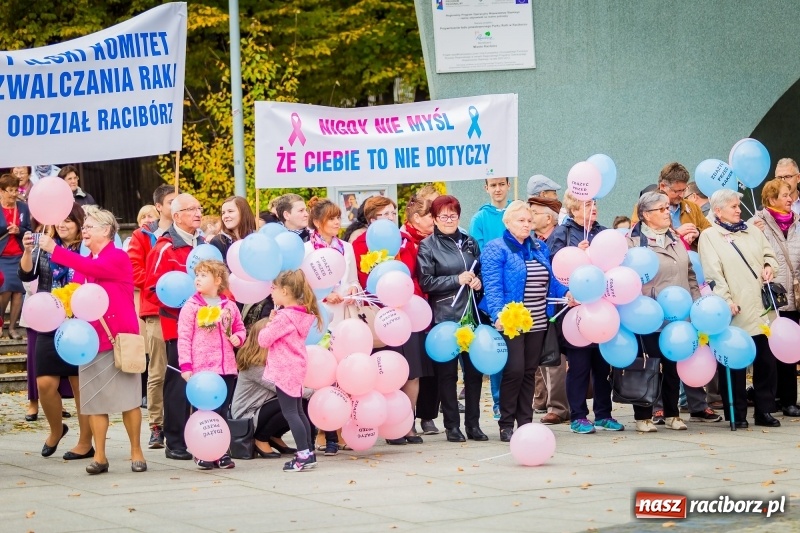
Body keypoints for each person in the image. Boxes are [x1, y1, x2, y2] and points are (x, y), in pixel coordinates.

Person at [37, 206, 145, 474]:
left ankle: (136, 452)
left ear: (107, 231)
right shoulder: (89, 261)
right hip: (90, 341)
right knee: (95, 402)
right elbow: (77, 292)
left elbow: (88, 266)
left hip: (119, 339)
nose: (83, 230)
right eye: (84, 226)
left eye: (90, 226)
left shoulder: (118, 257)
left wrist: (54, 249)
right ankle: (100, 455)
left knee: (129, 400)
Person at [479, 201, 570, 441]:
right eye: (521, 220)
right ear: (507, 222)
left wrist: (567, 293)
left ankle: (525, 422)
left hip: (539, 320)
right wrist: (498, 315)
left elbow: (552, 279)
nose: (526, 225)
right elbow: (493, 285)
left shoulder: (538, 247)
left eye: (529, 220)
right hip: (511, 321)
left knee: (529, 372)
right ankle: (506, 423)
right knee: (514, 371)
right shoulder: (495, 248)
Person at [699, 189, 780, 428]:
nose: (738, 210)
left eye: (738, 206)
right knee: (734, 364)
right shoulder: (710, 236)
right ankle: (737, 413)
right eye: (733, 206)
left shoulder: (752, 230)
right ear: (718, 211)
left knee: (766, 362)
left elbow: (770, 254)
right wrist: (725, 300)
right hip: (735, 309)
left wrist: (768, 265)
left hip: (761, 309)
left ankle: (764, 410)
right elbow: (713, 273)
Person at [19, 203, 93, 461]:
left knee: (79, 384)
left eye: (69, 221)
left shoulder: (87, 248)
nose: (63, 226)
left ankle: (86, 442)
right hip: (48, 319)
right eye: (60, 221)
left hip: (79, 322)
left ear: (79, 222)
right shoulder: (45, 247)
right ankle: (56, 429)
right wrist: (28, 251)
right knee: (45, 383)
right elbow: (27, 276)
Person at [626, 191, 705, 432]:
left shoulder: (674, 237)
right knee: (647, 365)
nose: (667, 212)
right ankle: (643, 416)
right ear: (646, 215)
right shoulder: (633, 241)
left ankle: (672, 413)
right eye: (660, 209)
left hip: (678, 313)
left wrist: (697, 304)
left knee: (673, 364)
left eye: (667, 208)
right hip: (648, 313)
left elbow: (690, 273)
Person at [352, 196, 428, 445]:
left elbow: (414, 275)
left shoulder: (405, 242)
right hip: (381, 316)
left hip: (409, 312)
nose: (389, 218)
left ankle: (408, 423)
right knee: (388, 373)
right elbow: (363, 282)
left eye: (392, 213)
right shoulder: (360, 244)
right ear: (372, 219)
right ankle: (388, 423)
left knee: (412, 372)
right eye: (383, 214)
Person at [548, 192, 622, 434]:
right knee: (579, 366)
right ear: (573, 208)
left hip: (603, 309)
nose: (593, 208)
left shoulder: (602, 232)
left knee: (603, 367)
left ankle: (603, 413)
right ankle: (578, 415)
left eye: (595, 203)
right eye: (588, 204)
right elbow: (554, 266)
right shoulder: (562, 233)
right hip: (576, 311)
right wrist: (577, 253)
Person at [417, 195, 485, 443]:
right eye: (443, 216)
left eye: (453, 215)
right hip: (444, 317)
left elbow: (480, 273)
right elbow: (426, 282)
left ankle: (474, 424)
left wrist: (478, 284)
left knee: (474, 373)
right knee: (447, 375)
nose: (448, 220)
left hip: (471, 316)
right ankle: (452, 426)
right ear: (434, 219)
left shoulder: (470, 242)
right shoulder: (428, 246)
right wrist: (456, 279)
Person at [143, 193, 204, 460]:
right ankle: (175, 441)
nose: (198, 213)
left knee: (202, 384)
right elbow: (151, 290)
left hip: (208, 327)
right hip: (177, 328)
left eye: (200, 208)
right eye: (192, 209)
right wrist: (182, 309)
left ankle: (202, 437)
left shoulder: (205, 246)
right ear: (176, 216)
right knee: (178, 384)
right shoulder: (165, 247)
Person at [177, 259, 246, 469]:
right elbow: (184, 337)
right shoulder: (191, 307)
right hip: (202, 369)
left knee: (222, 411)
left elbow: (240, 328)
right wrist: (186, 366)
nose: (197, 278)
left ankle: (222, 450)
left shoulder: (230, 306)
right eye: (196, 275)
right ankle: (202, 450)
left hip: (225, 369)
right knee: (203, 412)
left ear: (218, 280)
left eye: (203, 275)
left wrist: (238, 338)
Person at [258, 270, 323, 472]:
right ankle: (308, 452)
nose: (271, 292)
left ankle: (303, 455)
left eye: (274, 288)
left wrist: (269, 323)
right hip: (296, 366)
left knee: (290, 413)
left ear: (285, 291)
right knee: (297, 411)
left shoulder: (284, 317)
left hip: (284, 369)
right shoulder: (299, 315)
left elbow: (263, 340)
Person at [128, 184, 176, 450]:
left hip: (186, 310)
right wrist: (161, 286)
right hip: (156, 309)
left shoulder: (191, 235)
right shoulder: (143, 235)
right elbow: (133, 270)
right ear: (159, 206)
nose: (176, 206)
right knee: (158, 370)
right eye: (171, 202)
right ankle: (156, 425)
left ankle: (181, 421)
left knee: (183, 369)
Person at [750, 178, 800, 417]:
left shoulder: (797, 224)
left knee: (791, 348)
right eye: (784, 195)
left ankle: (790, 399)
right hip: (771, 299)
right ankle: (773, 399)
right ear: (771, 199)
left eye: (790, 195)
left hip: (795, 296)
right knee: (770, 352)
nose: (790, 199)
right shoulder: (757, 224)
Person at [231, 318, 311, 459]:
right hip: (248, 414)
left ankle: (274, 436)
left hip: (262, 407)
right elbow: (284, 388)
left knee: (300, 404)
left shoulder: (273, 361)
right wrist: (316, 393)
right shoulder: (254, 366)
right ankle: (261, 438)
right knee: (288, 402)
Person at [527, 196, 569, 425]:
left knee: (555, 359)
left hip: (560, 305)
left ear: (549, 216)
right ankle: (544, 399)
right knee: (543, 357)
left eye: (534, 212)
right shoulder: (534, 239)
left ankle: (558, 407)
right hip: (540, 305)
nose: (529, 217)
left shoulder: (560, 237)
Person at [403, 195, 440, 436]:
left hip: (433, 308)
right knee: (413, 370)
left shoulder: (437, 239)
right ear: (416, 218)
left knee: (434, 365)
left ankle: (428, 415)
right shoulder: (403, 241)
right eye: (430, 215)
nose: (435, 220)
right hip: (412, 310)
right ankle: (407, 420)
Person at [632, 163, 710, 249]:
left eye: (684, 190)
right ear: (662, 186)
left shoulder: (693, 207)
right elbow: (638, 238)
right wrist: (675, 234)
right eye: (677, 191)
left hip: (692, 260)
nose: (681, 195)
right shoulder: (645, 207)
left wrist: (698, 233)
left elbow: (711, 231)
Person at [0, 173, 31, 339]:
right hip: (2, 256)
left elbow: (29, 230)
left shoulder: (23, 208)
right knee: (5, 290)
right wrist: (6, 229)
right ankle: (0, 323)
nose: (13, 193)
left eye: (15, 189)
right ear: (1, 191)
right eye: (10, 190)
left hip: (19, 255)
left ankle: (12, 328)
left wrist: (19, 231)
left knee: (19, 292)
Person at [209, 196, 257, 261]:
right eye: (223, 213)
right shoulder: (219, 242)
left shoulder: (256, 239)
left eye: (230, 211)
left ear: (243, 213)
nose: (225, 216)